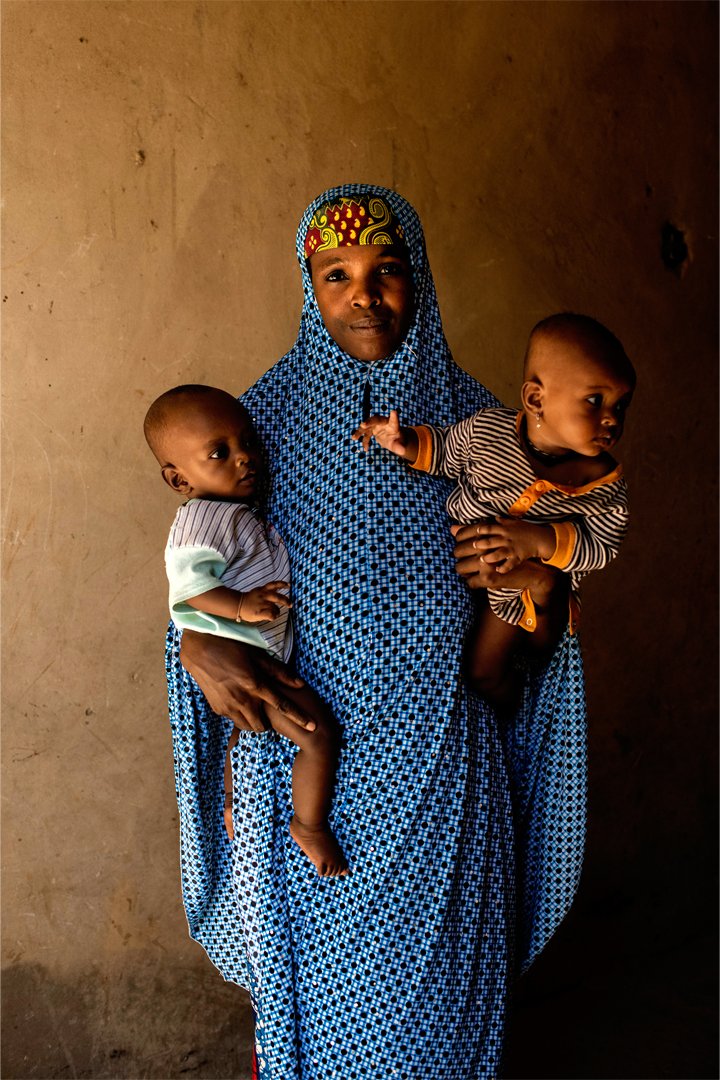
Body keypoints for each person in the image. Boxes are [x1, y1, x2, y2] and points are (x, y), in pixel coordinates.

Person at [165, 184, 587, 1079]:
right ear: (308, 289)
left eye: (387, 270)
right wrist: (195, 646)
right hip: (307, 764)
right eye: (337, 274)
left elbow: (537, 630)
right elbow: (198, 574)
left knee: (437, 1017)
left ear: (421, 280)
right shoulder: (256, 427)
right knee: (315, 1015)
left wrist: (531, 582)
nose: (365, 294)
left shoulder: (491, 433)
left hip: (443, 772)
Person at [352, 313, 635, 715]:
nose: (612, 418)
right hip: (451, 569)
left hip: (519, 593)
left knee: (484, 673)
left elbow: (602, 547)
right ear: (536, 399)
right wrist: (403, 441)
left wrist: (539, 541)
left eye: (621, 405)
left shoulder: (604, 484)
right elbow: (447, 450)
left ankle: (515, 719)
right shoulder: (488, 431)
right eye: (595, 400)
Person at [144, 384, 347, 876]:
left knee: (245, 732)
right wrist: (239, 606)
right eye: (220, 453)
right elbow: (189, 589)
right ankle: (310, 826)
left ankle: (234, 799)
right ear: (178, 480)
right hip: (244, 656)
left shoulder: (230, 512)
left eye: (248, 443)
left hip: (256, 653)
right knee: (318, 737)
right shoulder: (200, 520)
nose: (245, 459)